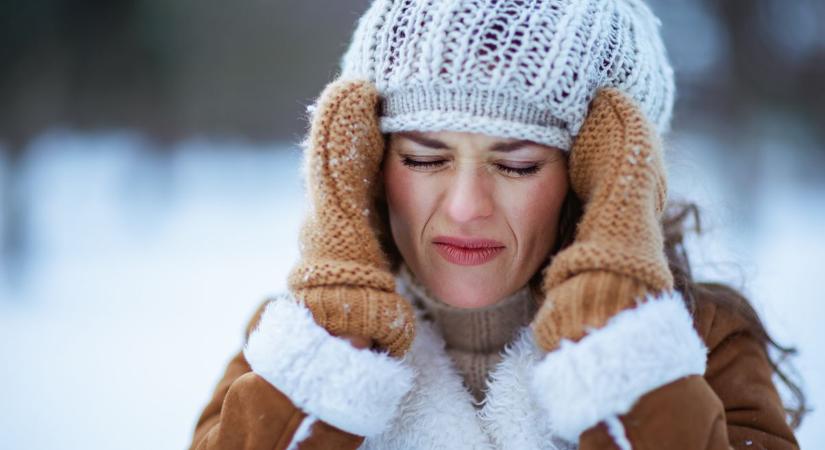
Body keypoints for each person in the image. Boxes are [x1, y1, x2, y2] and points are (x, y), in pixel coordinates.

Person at [188, 1, 804, 449]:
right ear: (369, 162)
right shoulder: (295, 346)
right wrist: (334, 349)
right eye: (423, 158)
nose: (465, 206)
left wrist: (617, 336)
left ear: (600, 174)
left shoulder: (702, 346)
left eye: (517, 165)